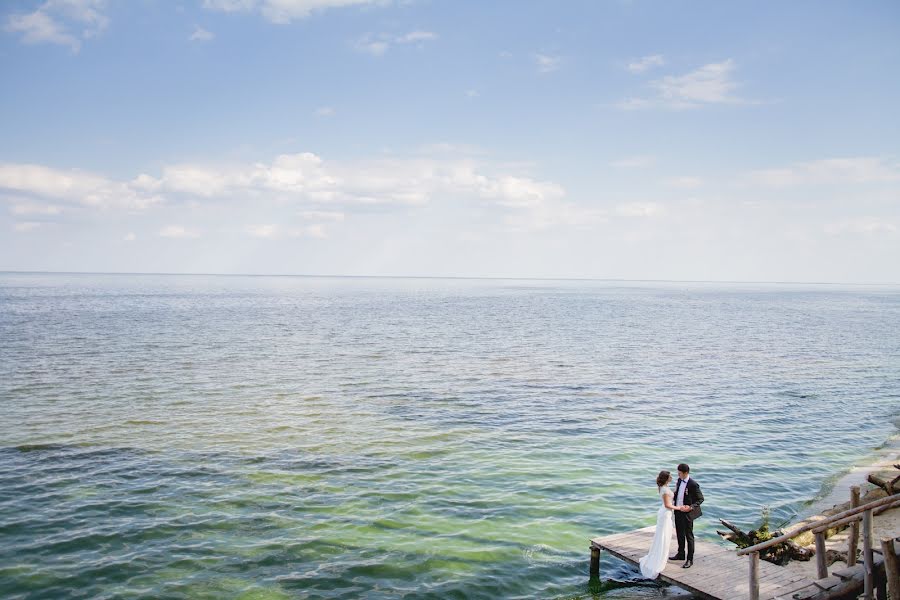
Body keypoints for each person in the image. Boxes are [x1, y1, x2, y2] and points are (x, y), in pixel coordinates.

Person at [638, 470, 676, 579]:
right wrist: (680, 508)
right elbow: (668, 505)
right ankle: (659, 558)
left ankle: (661, 555)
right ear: (666, 478)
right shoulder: (664, 489)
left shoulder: (664, 487)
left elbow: (669, 496)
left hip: (665, 513)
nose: (671, 477)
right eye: (670, 476)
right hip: (665, 514)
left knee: (663, 535)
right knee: (663, 535)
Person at [669, 463, 704, 569]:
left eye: (679, 473)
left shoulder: (693, 484)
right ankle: (680, 553)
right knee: (679, 533)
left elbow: (700, 499)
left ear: (685, 473)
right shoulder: (679, 480)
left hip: (687, 513)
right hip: (678, 510)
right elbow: (678, 493)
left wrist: (691, 507)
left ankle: (690, 559)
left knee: (689, 535)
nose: (678, 475)